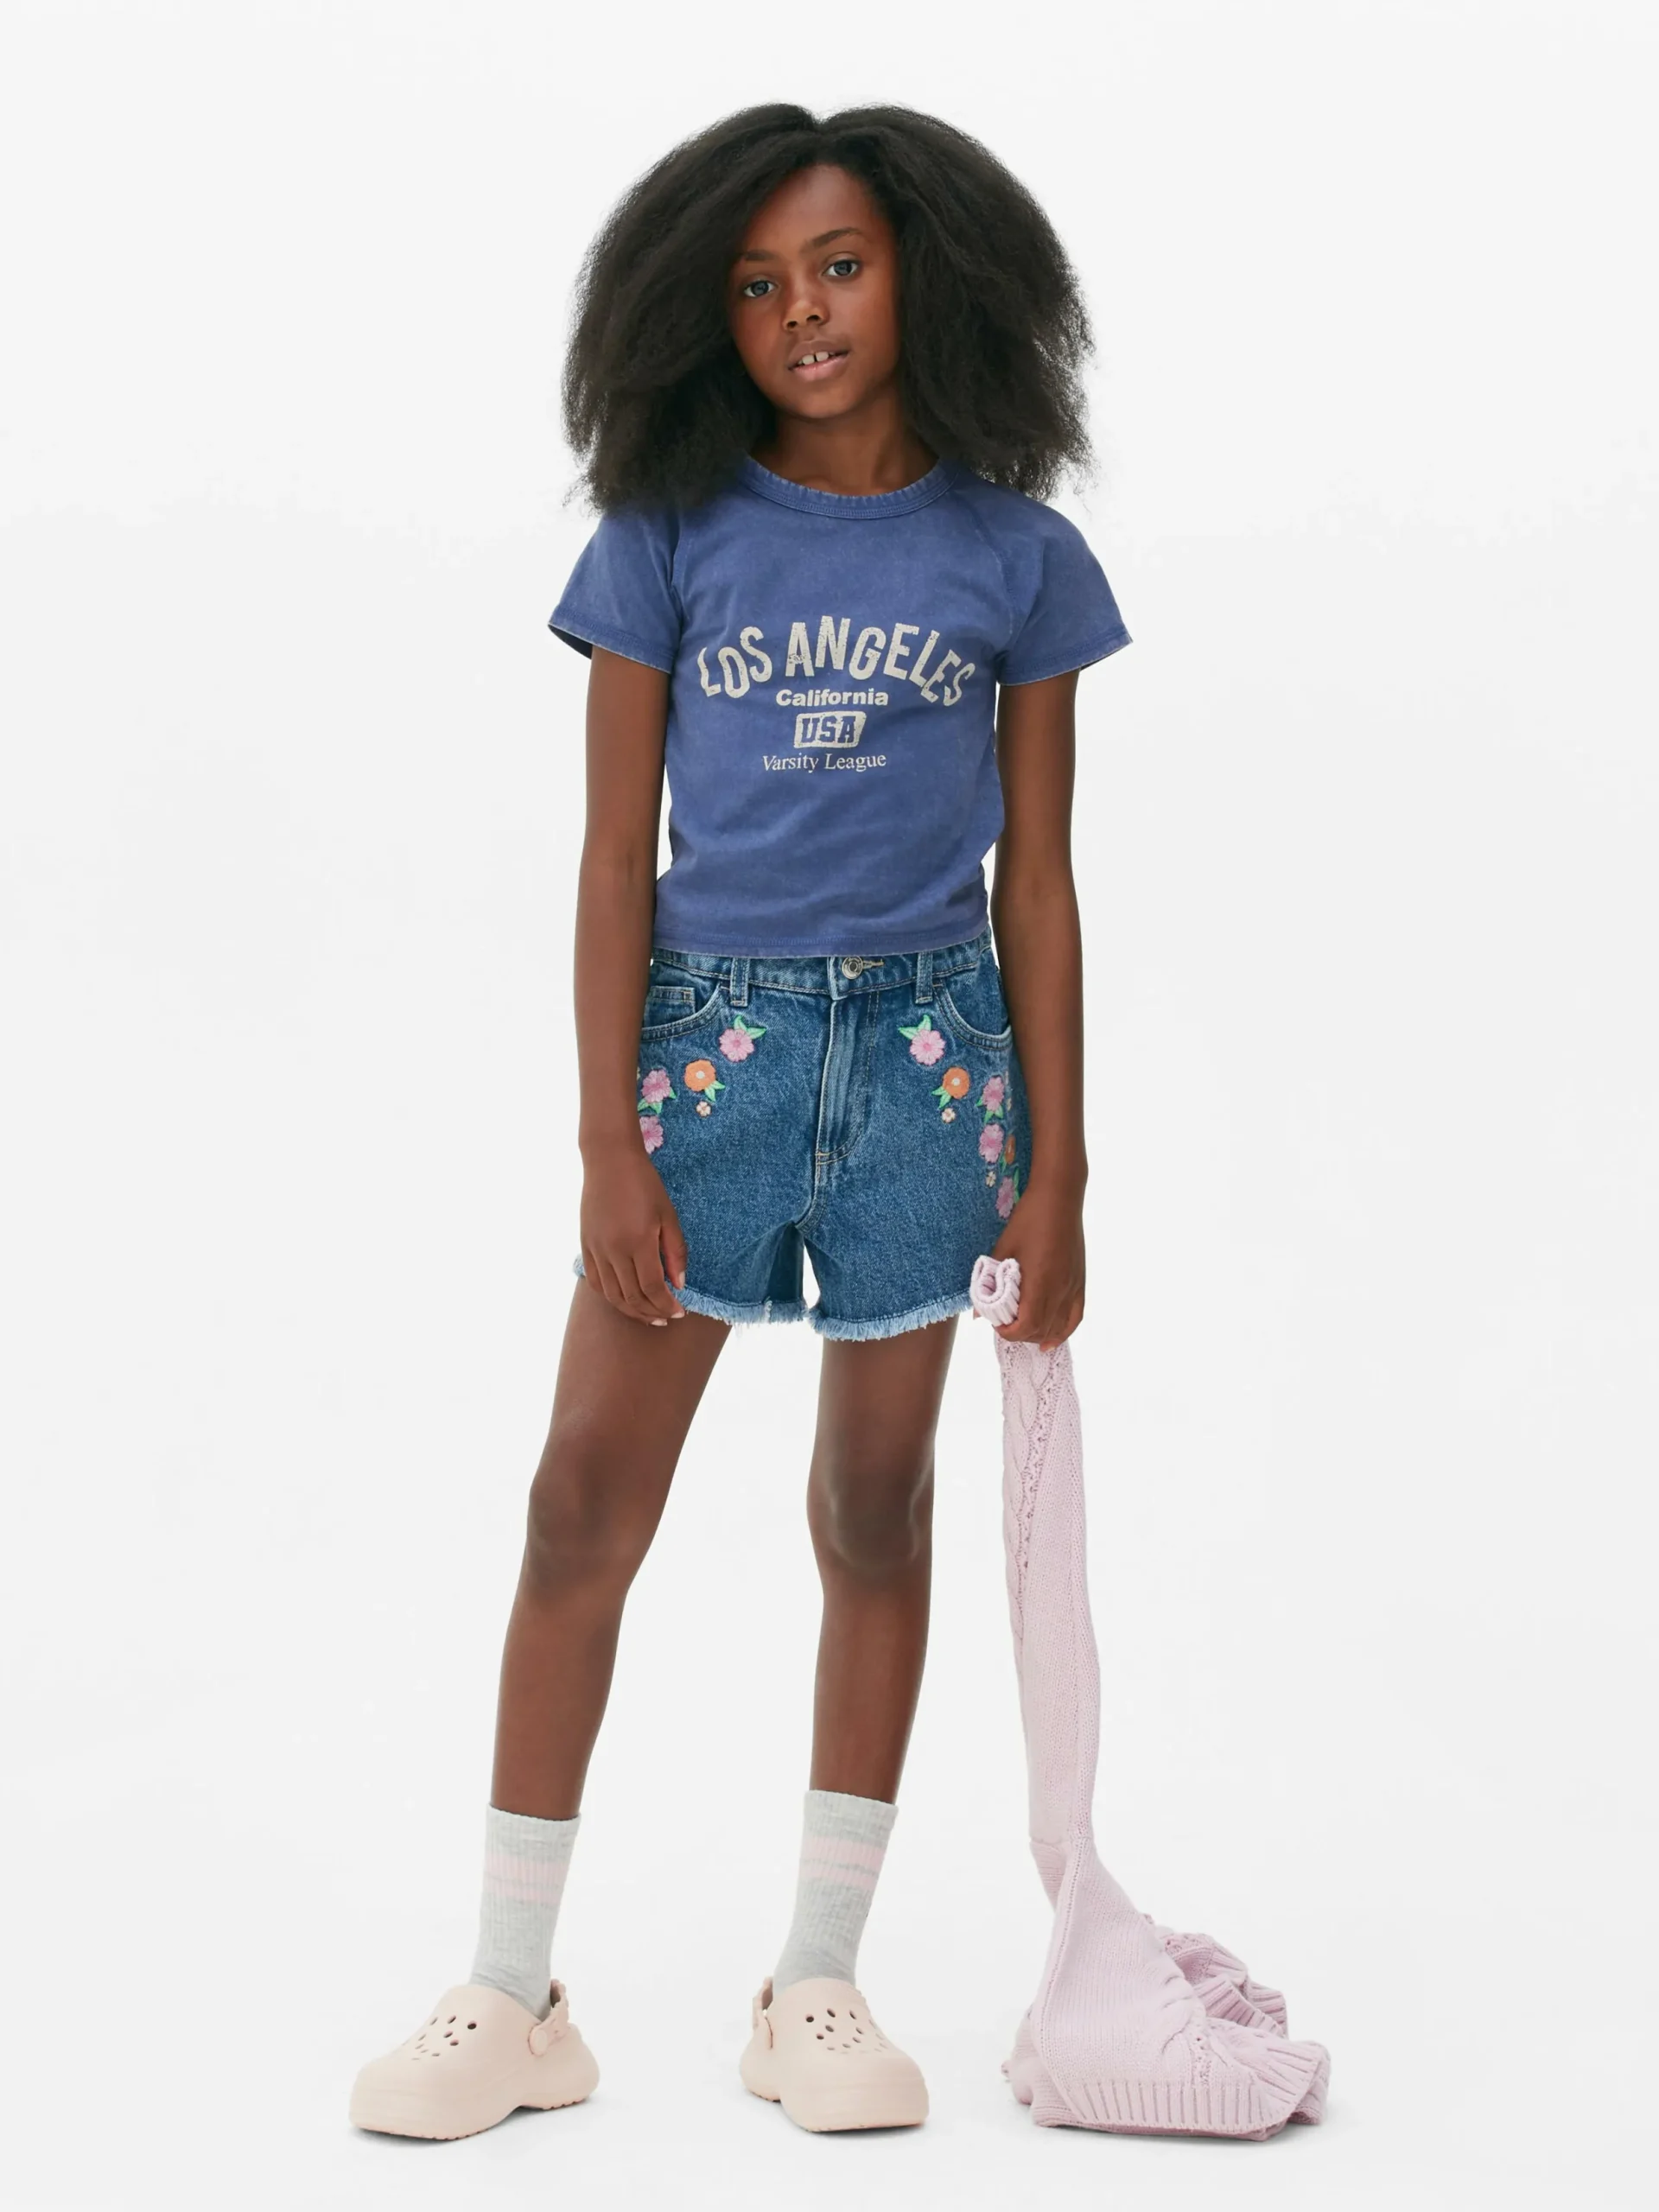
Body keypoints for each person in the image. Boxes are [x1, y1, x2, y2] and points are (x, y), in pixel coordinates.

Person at [349, 101, 1132, 2143]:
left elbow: (1040, 883)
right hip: (708, 1057)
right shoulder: (668, 533)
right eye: (759, 282)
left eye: (840, 266)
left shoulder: (1018, 557)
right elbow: (615, 855)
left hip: (932, 1062)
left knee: (873, 1508)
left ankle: (818, 1979)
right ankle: (510, 1989)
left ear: (930, 273)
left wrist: (1058, 1166)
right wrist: (609, 1140)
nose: (802, 310)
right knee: (578, 1502)